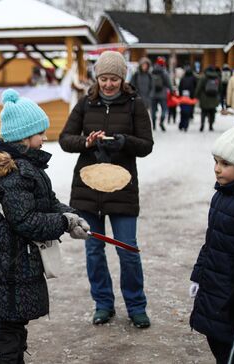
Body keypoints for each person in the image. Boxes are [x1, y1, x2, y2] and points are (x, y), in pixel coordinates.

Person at [0, 88, 90, 364]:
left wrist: (71, 216)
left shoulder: (28, 168)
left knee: (15, 325)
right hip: (11, 266)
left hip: (18, 264)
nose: (45, 138)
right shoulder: (15, 175)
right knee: (8, 329)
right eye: (40, 133)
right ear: (24, 138)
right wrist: (62, 223)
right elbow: (26, 221)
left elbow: (47, 202)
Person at [59, 51, 154, 328]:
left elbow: (146, 145)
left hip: (122, 187)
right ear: (97, 78)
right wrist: (86, 143)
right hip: (88, 188)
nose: (108, 84)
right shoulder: (86, 104)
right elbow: (65, 139)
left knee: (127, 248)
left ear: (122, 79)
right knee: (94, 250)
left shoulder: (135, 104)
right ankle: (103, 304)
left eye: (113, 79)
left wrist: (124, 142)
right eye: (103, 79)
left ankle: (136, 306)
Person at [189, 127, 234, 364]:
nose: (217, 168)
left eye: (225, 163)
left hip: (231, 295)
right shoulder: (221, 196)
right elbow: (210, 242)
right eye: (215, 161)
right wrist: (198, 275)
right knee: (218, 342)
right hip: (215, 288)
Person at [195, 65, 221, 132]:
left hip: (204, 97)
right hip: (214, 98)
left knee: (203, 112)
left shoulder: (204, 77)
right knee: (212, 112)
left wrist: (196, 95)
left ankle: (202, 125)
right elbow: (220, 88)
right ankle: (211, 125)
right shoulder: (217, 77)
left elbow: (199, 87)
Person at [150, 56, 171, 131]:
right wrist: (171, 90)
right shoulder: (164, 72)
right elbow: (168, 83)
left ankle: (154, 125)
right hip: (162, 94)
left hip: (153, 94)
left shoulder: (152, 71)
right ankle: (161, 122)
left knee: (153, 110)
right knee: (164, 109)